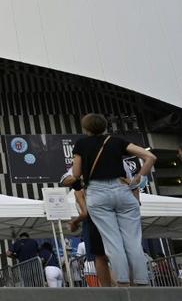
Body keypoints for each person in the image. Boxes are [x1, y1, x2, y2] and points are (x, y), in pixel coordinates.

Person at [70, 113, 156, 286]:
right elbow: (150, 157)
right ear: (105, 127)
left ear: (85, 128)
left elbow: (76, 174)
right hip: (122, 190)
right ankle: (141, 281)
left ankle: (122, 282)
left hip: (97, 192)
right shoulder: (117, 141)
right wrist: (138, 177)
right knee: (133, 240)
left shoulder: (81, 144)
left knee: (112, 241)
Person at [62, 169, 111, 287]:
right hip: (106, 219)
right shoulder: (99, 188)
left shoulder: (78, 191)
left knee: (99, 259)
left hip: (91, 223)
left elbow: (85, 213)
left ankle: (111, 289)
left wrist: (74, 222)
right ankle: (125, 286)